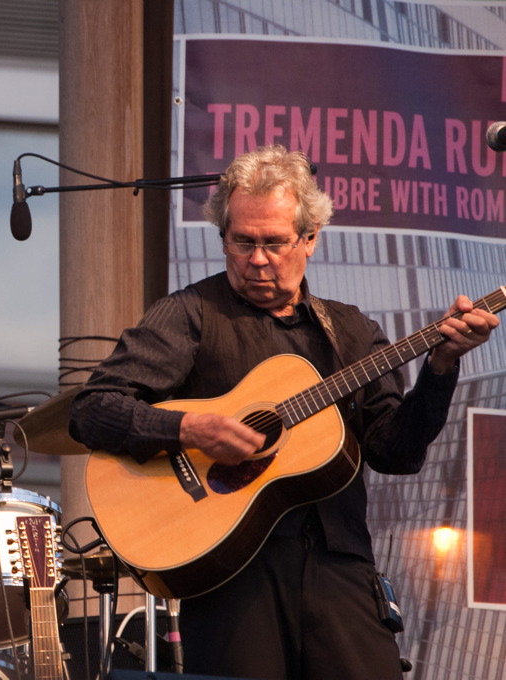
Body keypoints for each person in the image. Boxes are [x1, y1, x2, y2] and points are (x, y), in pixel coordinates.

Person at [68, 145, 499, 679]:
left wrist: (441, 368)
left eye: (274, 242)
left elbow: (396, 453)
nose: (257, 258)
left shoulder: (353, 331)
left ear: (310, 238)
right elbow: (92, 410)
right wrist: (188, 428)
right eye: (241, 241)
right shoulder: (189, 315)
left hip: (340, 569)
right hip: (231, 578)